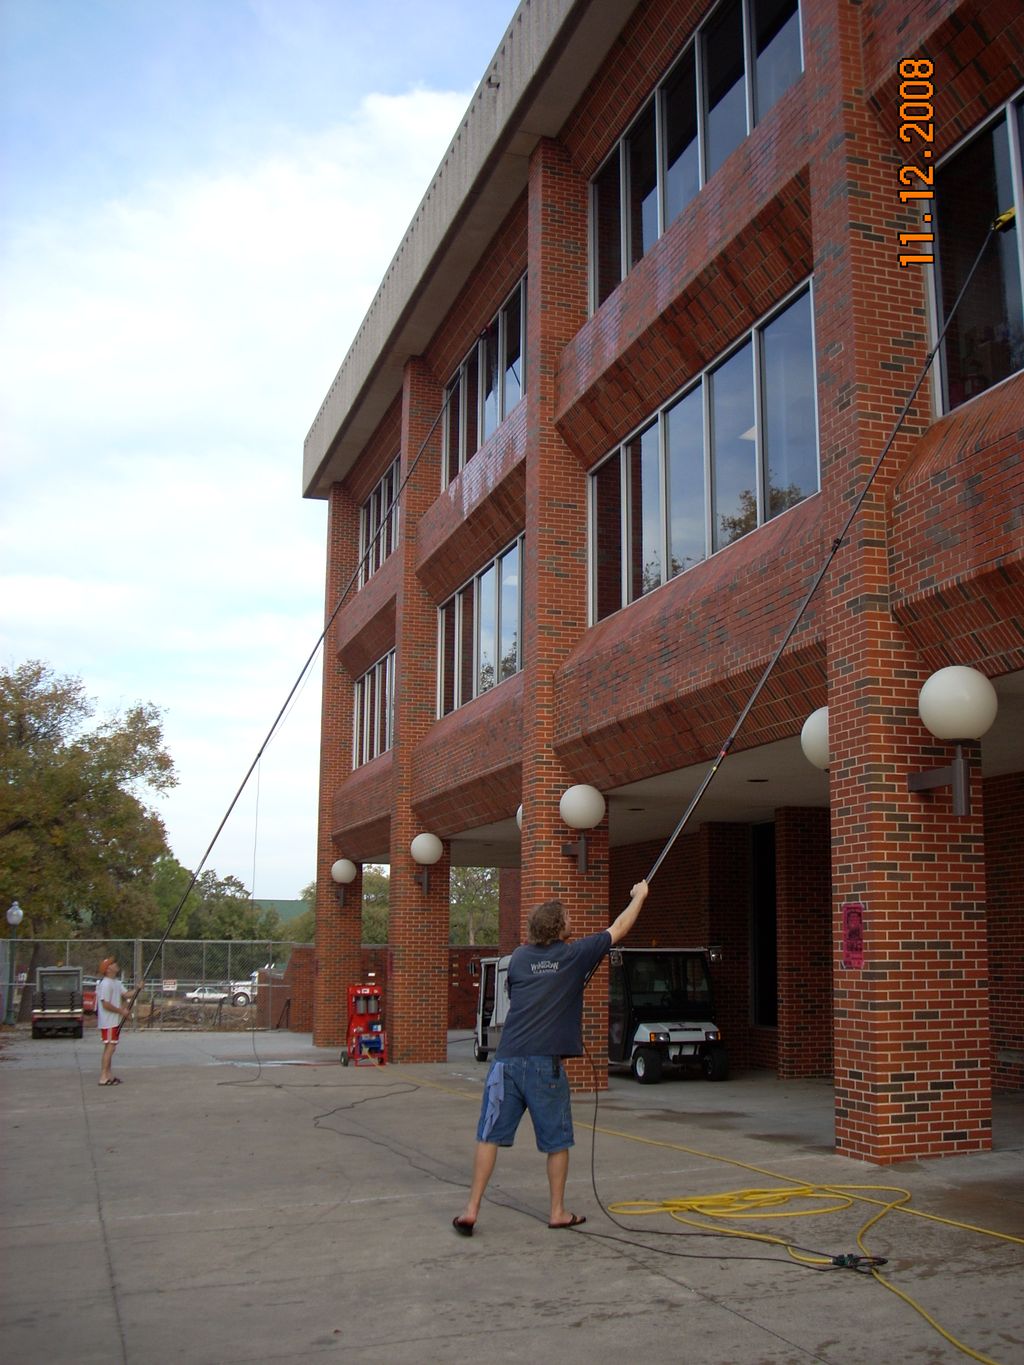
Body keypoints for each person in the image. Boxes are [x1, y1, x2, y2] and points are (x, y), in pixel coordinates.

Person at [453, 878, 649, 1236]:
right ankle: (557, 1211)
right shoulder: (573, 956)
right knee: (557, 1142)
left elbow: (526, 989)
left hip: (506, 1061)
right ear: (560, 927)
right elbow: (619, 927)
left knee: (488, 1135)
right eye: (569, 917)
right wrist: (640, 896)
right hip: (545, 1065)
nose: (572, 919)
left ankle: (470, 1209)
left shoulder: (519, 959)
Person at [96, 957, 132, 1086]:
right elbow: (105, 1004)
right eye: (113, 963)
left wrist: (139, 988)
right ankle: (103, 1076)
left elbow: (127, 994)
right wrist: (121, 1011)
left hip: (114, 1021)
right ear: (108, 968)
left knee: (111, 1047)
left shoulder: (116, 982)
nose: (116, 964)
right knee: (110, 1048)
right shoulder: (105, 984)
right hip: (108, 1022)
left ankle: (109, 1075)